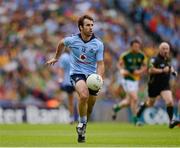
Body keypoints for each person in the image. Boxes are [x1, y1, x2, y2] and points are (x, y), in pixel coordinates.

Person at [46, 15, 104, 143]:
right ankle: (81, 124)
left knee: (90, 105)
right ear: (81, 27)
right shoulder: (72, 40)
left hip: (92, 76)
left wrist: (100, 77)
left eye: (92, 25)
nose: (90, 28)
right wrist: (56, 57)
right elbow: (61, 43)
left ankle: (83, 127)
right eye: (88, 25)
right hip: (76, 74)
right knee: (83, 96)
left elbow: (100, 64)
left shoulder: (98, 44)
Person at [136, 42, 180, 128]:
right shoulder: (154, 59)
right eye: (163, 48)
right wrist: (163, 70)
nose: (165, 50)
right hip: (154, 85)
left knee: (170, 101)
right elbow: (150, 70)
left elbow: (170, 67)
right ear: (159, 49)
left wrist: (173, 72)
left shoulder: (168, 59)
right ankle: (143, 105)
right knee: (150, 104)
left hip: (164, 86)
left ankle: (171, 121)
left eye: (167, 49)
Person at [112, 38, 147, 124]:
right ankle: (135, 120)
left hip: (136, 80)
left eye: (138, 46)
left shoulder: (142, 56)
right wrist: (122, 70)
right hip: (127, 80)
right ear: (131, 46)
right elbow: (119, 65)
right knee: (135, 98)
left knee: (128, 101)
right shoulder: (125, 55)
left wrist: (140, 71)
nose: (137, 48)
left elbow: (145, 66)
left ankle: (116, 107)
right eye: (135, 46)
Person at [57, 51, 76, 124]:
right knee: (71, 101)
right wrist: (60, 80)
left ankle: (80, 117)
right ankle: (71, 117)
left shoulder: (77, 54)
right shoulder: (64, 57)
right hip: (68, 81)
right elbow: (61, 69)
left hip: (77, 80)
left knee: (80, 99)